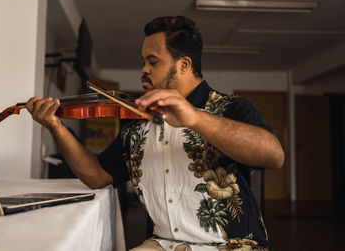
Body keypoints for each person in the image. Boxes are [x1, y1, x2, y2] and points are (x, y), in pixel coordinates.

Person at [26, 16, 284, 251]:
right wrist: (56, 127)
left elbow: (274, 155)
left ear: (183, 65)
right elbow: (97, 176)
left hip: (232, 246)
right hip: (163, 245)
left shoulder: (230, 107)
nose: (144, 70)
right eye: (143, 62)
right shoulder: (137, 123)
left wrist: (194, 118)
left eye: (153, 61)